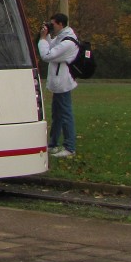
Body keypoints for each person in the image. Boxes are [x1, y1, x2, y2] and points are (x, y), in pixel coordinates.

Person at [38, 13, 79, 158]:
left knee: (65, 114)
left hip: (63, 82)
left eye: (53, 24)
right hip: (58, 81)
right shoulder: (62, 37)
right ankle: (53, 144)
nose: (51, 26)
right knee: (57, 115)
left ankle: (70, 147)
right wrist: (47, 35)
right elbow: (52, 46)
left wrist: (43, 39)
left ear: (61, 24)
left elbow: (47, 55)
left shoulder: (68, 42)